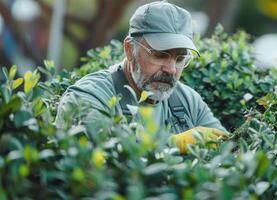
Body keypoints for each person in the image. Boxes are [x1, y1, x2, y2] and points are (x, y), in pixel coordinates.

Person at [55, 1, 228, 154]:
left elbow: (230, 153)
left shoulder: (188, 101)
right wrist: (173, 145)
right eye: (160, 55)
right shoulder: (88, 97)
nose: (171, 69)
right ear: (130, 50)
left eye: (180, 59)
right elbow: (96, 160)